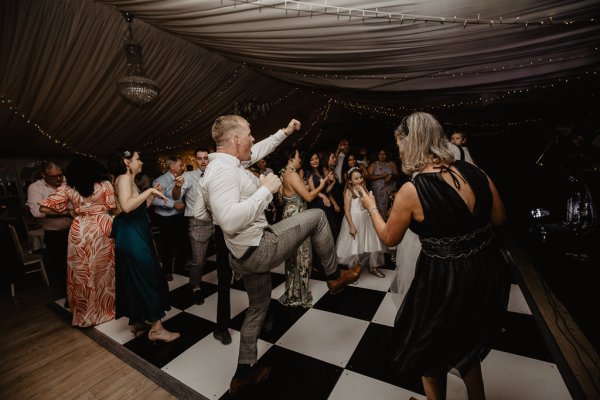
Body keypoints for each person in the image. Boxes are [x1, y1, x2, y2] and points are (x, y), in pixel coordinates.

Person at [199, 115, 359, 395]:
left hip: (243, 256)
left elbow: (256, 151)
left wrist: (284, 132)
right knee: (317, 218)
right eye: (249, 133)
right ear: (236, 139)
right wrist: (264, 191)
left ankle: (242, 375)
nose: (252, 138)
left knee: (258, 308)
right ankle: (334, 277)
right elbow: (228, 220)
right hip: (259, 248)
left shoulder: (224, 165)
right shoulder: (224, 171)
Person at [359, 112, 510, 400]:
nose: (399, 150)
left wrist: (371, 207)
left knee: (427, 353)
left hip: (442, 281)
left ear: (412, 142)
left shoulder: (412, 190)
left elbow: (389, 238)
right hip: (484, 273)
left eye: (400, 143)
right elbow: (500, 218)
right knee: (466, 349)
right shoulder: (476, 172)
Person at [108, 150, 180, 342]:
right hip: (131, 236)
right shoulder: (124, 178)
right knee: (149, 276)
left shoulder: (128, 180)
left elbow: (137, 208)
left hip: (135, 231)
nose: (141, 163)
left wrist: (151, 195)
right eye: (138, 159)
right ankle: (156, 329)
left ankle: (137, 322)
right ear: (127, 161)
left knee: (135, 278)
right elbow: (126, 206)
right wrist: (148, 190)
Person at [39, 157, 116, 327]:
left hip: (79, 230)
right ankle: (107, 309)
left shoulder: (67, 189)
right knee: (104, 271)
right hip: (101, 228)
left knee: (82, 272)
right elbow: (114, 208)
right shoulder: (105, 186)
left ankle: (85, 313)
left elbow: (43, 208)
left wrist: (70, 210)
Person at [278, 148, 333, 308]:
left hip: (289, 216)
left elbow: (290, 195)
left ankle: (293, 291)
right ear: (291, 158)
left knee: (293, 258)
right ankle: (300, 295)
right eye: (298, 157)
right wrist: (321, 185)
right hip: (297, 219)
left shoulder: (283, 173)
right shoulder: (292, 174)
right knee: (304, 257)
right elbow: (308, 197)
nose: (300, 160)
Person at [26, 161, 72, 297]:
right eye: (53, 176)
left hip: (73, 231)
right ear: (43, 175)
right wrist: (67, 212)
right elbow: (36, 211)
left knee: (78, 266)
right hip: (54, 235)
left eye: (60, 175)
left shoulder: (66, 182)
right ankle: (69, 298)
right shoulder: (35, 187)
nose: (59, 179)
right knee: (62, 268)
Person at [336, 167, 386, 278]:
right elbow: (347, 211)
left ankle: (373, 267)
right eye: (356, 179)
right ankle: (352, 270)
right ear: (350, 181)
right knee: (354, 244)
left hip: (366, 219)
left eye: (360, 177)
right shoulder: (349, 192)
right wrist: (352, 226)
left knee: (372, 241)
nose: (359, 180)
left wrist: (363, 190)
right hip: (354, 220)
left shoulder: (364, 189)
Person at [182, 148, 212, 305]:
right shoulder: (188, 176)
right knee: (199, 259)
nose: (202, 161)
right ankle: (195, 286)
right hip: (198, 222)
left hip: (219, 219)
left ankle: (236, 277)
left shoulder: (216, 175)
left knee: (229, 253)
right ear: (195, 160)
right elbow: (176, 195)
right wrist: (176, 187)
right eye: (199, 158)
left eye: (205, 158)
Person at [152, 156, 187, 280]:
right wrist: (174, 204)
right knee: (167, 245)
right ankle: (166, 271)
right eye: (180, 165)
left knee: (182, 242)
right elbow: (155, 200)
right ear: (172, 167)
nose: (183, 167)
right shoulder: (160, 181)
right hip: (166, 218)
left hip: (180, 216)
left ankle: (179, 266)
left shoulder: (182, 178)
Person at [367, 149, 398, 218]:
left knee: (391, 207)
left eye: (384, 154)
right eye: (380, 154)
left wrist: (391, 175)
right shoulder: (374, 164)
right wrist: (381, 176)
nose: (382, 156)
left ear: (387, 155)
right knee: (378, 207)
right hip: (377, 191)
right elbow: (368, 177)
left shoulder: (391, 163)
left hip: (390, 190)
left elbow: (397, 174)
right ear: (377, 155)